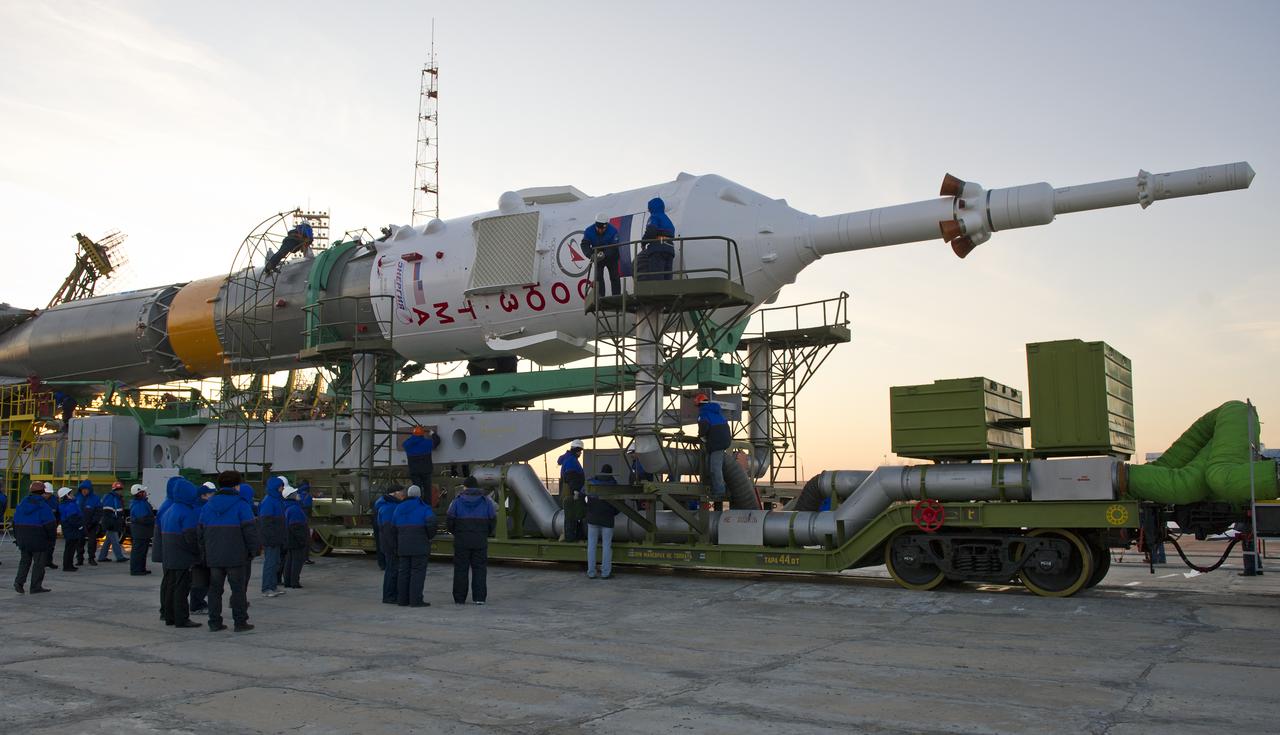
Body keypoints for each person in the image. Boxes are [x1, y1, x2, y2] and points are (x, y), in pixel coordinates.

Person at [198, 471, 260, 632]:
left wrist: (204, 552)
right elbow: (250, 530)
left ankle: (214, 622)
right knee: (238, 590)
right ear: (237, 485)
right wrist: (254, 550)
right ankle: (240, 622)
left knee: (215, 590)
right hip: (236, 554)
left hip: (214, 555)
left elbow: (200, 532)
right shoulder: (241, 505)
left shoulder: (208, 505)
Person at [446, 476, 497, 605]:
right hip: (480, 540)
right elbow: (492, 520)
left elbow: (450, 521)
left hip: (461, 541)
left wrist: (456, 533)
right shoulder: (486, 501)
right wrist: (485, 533)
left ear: (465, 487)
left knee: (461, 569)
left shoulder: (456, 502)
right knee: (479, 569)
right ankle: (479, 598)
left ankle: (459, 598)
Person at [159, 478, 202, 628]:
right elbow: (191, 537)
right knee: (182, 589)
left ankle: (169, 616)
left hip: (170, 555)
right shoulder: (187, 512)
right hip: (182, 556)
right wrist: (198, 553)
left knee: (171, 586)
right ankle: (182, 618)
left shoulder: (169, 510)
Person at [392, 484, 437, 607]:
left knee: (403, 572)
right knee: (417, 572)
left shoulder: (399, 508)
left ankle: (402, 600)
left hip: (403, 545)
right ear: (419, 495)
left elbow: (393, 526)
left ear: (407, 495)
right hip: (420, 545)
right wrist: (429, 536)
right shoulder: (424, 508)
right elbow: (432, 522)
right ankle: (415, 600)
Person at [13, 481, 56, 594]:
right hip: (39, 538)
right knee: (39, 564)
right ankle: (35, 587)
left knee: (24, 561)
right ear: (43, 492)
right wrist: (51, 541)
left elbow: (15, 522)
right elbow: (50, 525)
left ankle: (19, 582)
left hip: (23, 537)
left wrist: (18, 538)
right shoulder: (43, 506)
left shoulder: (22, 504)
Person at [584, 465, 620, 580]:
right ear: (610, 473)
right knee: (606, 547)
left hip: (592, 519)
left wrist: (588, 510)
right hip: (607, 520)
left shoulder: (591, 482)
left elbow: (582, 495)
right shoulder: (614, 485)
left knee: (591, 546)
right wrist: (613, 513)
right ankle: (605, 573)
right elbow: (619, 505)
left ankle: (591, 572)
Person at [258, 476, 288, 598]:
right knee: (270, 563)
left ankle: (273, 586)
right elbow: (266, 523)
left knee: (275, 562)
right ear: (276, 487)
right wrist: (271, 538)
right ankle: (267, 588)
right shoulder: (269, 501)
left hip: (276, 538)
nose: (282, 488)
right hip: (271, 539)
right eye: (281, 486)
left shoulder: (277, 500)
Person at [696, 394, 730, 500]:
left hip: (716, 444)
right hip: (722, 441)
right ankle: (716, 487)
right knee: (710, 465)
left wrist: (700, 437)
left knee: (715, 468)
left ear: (699, 404)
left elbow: (703, 429)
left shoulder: (704, 414)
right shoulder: (717, 412)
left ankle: (719, 492)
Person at [377, 485, 407, 604]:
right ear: (394, 493)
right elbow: (389, 530)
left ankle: (391, 595)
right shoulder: (390, 508)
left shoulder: (387, 505)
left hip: (388, 543)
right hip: (391, 544)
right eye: (402, 492)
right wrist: (395, 546)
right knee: (392, 570)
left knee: (392, 569)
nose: (404, 495)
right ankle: (389, 596)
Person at [189, 482, 216, 614]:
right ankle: (197, 604)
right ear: (204, 495)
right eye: (211, 493)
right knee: (201, 579)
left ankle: (198, 603)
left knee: (201, 578)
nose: (214, 495)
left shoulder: (196, 507)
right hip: (202, 549)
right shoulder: (202, 509)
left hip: (200, 549)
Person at [581, 213, 622, 297]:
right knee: (598, 277)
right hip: (597, 257)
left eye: (602, 229)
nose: (600, 231)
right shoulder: (589, 231)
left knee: (614, 276)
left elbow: (614, 247)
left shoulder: (613, 230)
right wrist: (590, 255)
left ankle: (616, 296)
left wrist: (604, 254)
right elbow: (584, 245)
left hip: (611, 257)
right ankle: (600, 296)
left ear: (606, 226)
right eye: (598, 228)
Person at [637, 197, 676, 281]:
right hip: (670, 248)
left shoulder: (654, 217)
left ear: (651, 208)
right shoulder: (667, 219)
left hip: (658, 248)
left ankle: (658, 293)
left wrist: (643, 242)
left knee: (657, 277)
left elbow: (651, 230)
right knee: (667, 277)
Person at [557, 439, 586, 542]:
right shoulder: (572, 461)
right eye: (580, 451)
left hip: (567, 491)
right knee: (573, 514)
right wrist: (576, 491)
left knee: (570, 514)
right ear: (577, 450)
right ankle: (572, 537)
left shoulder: (567, 459)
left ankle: (570, 536)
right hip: (572, 492)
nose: (581, 453)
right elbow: (572, 477)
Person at [282, 484, 308, 589]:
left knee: (290, 560)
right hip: (295, 539)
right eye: (295, 493)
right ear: (291, 496)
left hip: (288, 538)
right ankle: (294, 582)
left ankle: (288, 581)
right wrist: (302, 539)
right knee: (297, 561)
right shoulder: (295, 509)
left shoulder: (287, 507)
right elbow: (296, 526)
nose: (298, 494)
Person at [402, 426, 441, 498]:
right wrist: (433, 434)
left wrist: (413, 437)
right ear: (422, 434)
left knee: (416, 490)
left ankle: (417, 505)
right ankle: (427, 505)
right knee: (427, 490)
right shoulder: (427, 443)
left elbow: (404, 444)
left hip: (414, 471)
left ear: (413, 434)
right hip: (426, 470)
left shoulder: (408, 445)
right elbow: (437, 441)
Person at [98, 481, 128, 562]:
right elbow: (107, 512)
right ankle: (120, 557)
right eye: (119, 489)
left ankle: (102, 557)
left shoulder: (115, 498)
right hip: (111, 523)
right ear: (115, 490)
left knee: (108, 541)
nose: (120, 491)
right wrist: (111, 522)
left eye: (121, 489)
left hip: (112, 522)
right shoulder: (112, 498)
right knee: (115, 541)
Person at [56, 487, 85, 572]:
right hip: (72, 528)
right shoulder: (70, 505)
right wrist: (80, 526)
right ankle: (68, 566)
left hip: (68, 528)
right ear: (67, 495)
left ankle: (68, 565)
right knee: (70, 548)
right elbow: (73, 518)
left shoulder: (65, 504)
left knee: (70, 547)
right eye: (71, 493)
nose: (72, 495)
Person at [129, 484, 155, 575]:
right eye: (143, 491)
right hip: (140, 532)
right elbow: (143, 519)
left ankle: (141, 568)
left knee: (142, 551)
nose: (145, 493)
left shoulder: (140, 503)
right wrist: (153, 520)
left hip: (142, 532)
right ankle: (136, 570)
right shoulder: (139, 504)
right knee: (138, 551)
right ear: (139, 493)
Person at [76, 480, 101, 566]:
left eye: (86, 489)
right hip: (80, 524)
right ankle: (79, 559)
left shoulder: (95, 499)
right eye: (83, 489)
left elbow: (98, 512)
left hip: (91, 524)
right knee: (79, 542)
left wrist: (93, 522)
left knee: (92, 542)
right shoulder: (77, 498)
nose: (84, 491)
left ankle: (91, 558)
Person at [296, 480, 315, 564]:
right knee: (306, 540)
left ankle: (299, 558)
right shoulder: (308, 496)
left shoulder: (297, 495)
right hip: (305, 521)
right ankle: (305, 558)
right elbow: (309, 510)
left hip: (297, 521)